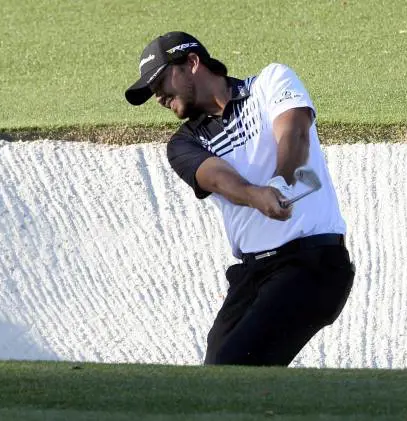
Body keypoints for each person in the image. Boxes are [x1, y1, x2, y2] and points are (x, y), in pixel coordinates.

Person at [124, 31, 356, 366]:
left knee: (235, 364)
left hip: (312, 264)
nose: (157, 96)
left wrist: (281, 181)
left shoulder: (270, 82)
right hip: (252, 276)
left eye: (160, 80)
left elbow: (294, 131)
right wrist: (255, 195)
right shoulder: (183, 144)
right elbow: (217, 177)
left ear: (192, 63)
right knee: (218, 372)